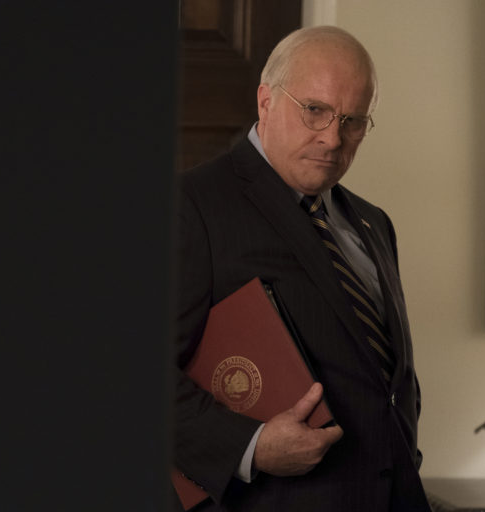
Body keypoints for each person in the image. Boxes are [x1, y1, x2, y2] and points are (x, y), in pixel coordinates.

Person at [173, 26, 431, 511]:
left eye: (353, 121)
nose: (333, 138)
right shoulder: (190, 207)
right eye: (314, 110)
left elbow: (389, 380)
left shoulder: (374, 222)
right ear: (265, 102)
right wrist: (250, 447)